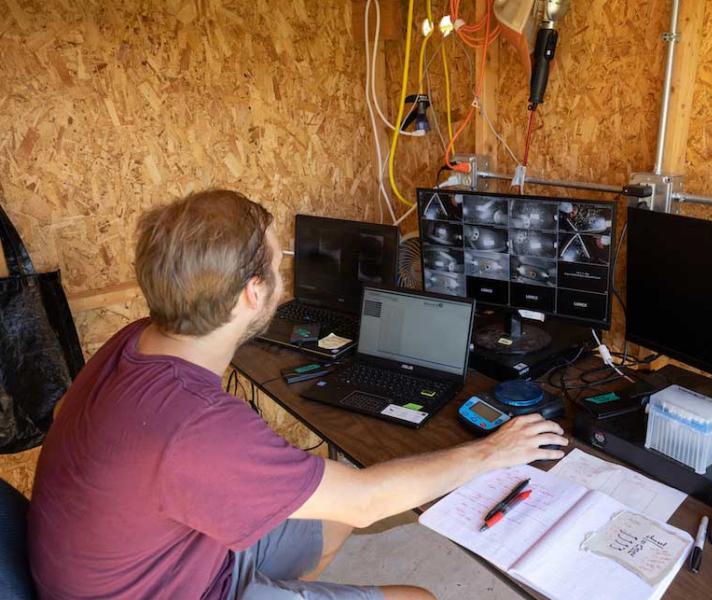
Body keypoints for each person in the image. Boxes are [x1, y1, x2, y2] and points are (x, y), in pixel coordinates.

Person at [28, 189, 568, 600]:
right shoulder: (198, 429)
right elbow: (368, 501)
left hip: (162, 558)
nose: (284, 272)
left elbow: (348, 504)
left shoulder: (132, 342)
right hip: (173, 590)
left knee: (328, 514)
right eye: (277, 260)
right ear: (253, 293)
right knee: (421, 597)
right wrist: (493, 451)